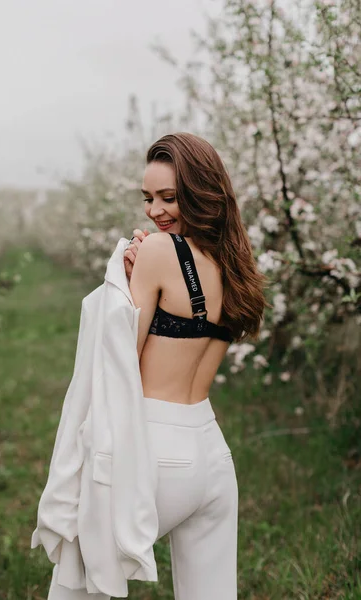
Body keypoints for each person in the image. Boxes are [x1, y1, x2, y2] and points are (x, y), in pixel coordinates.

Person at [118, 132, 268, 599]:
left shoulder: (160, 252)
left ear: (202, 193)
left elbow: (119, 358)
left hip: (157, 447)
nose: (154, 211)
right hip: (211, 455)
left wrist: (127, 285)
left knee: (80, 579)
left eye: (168, 197)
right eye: (147, 198)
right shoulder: (237, 266)